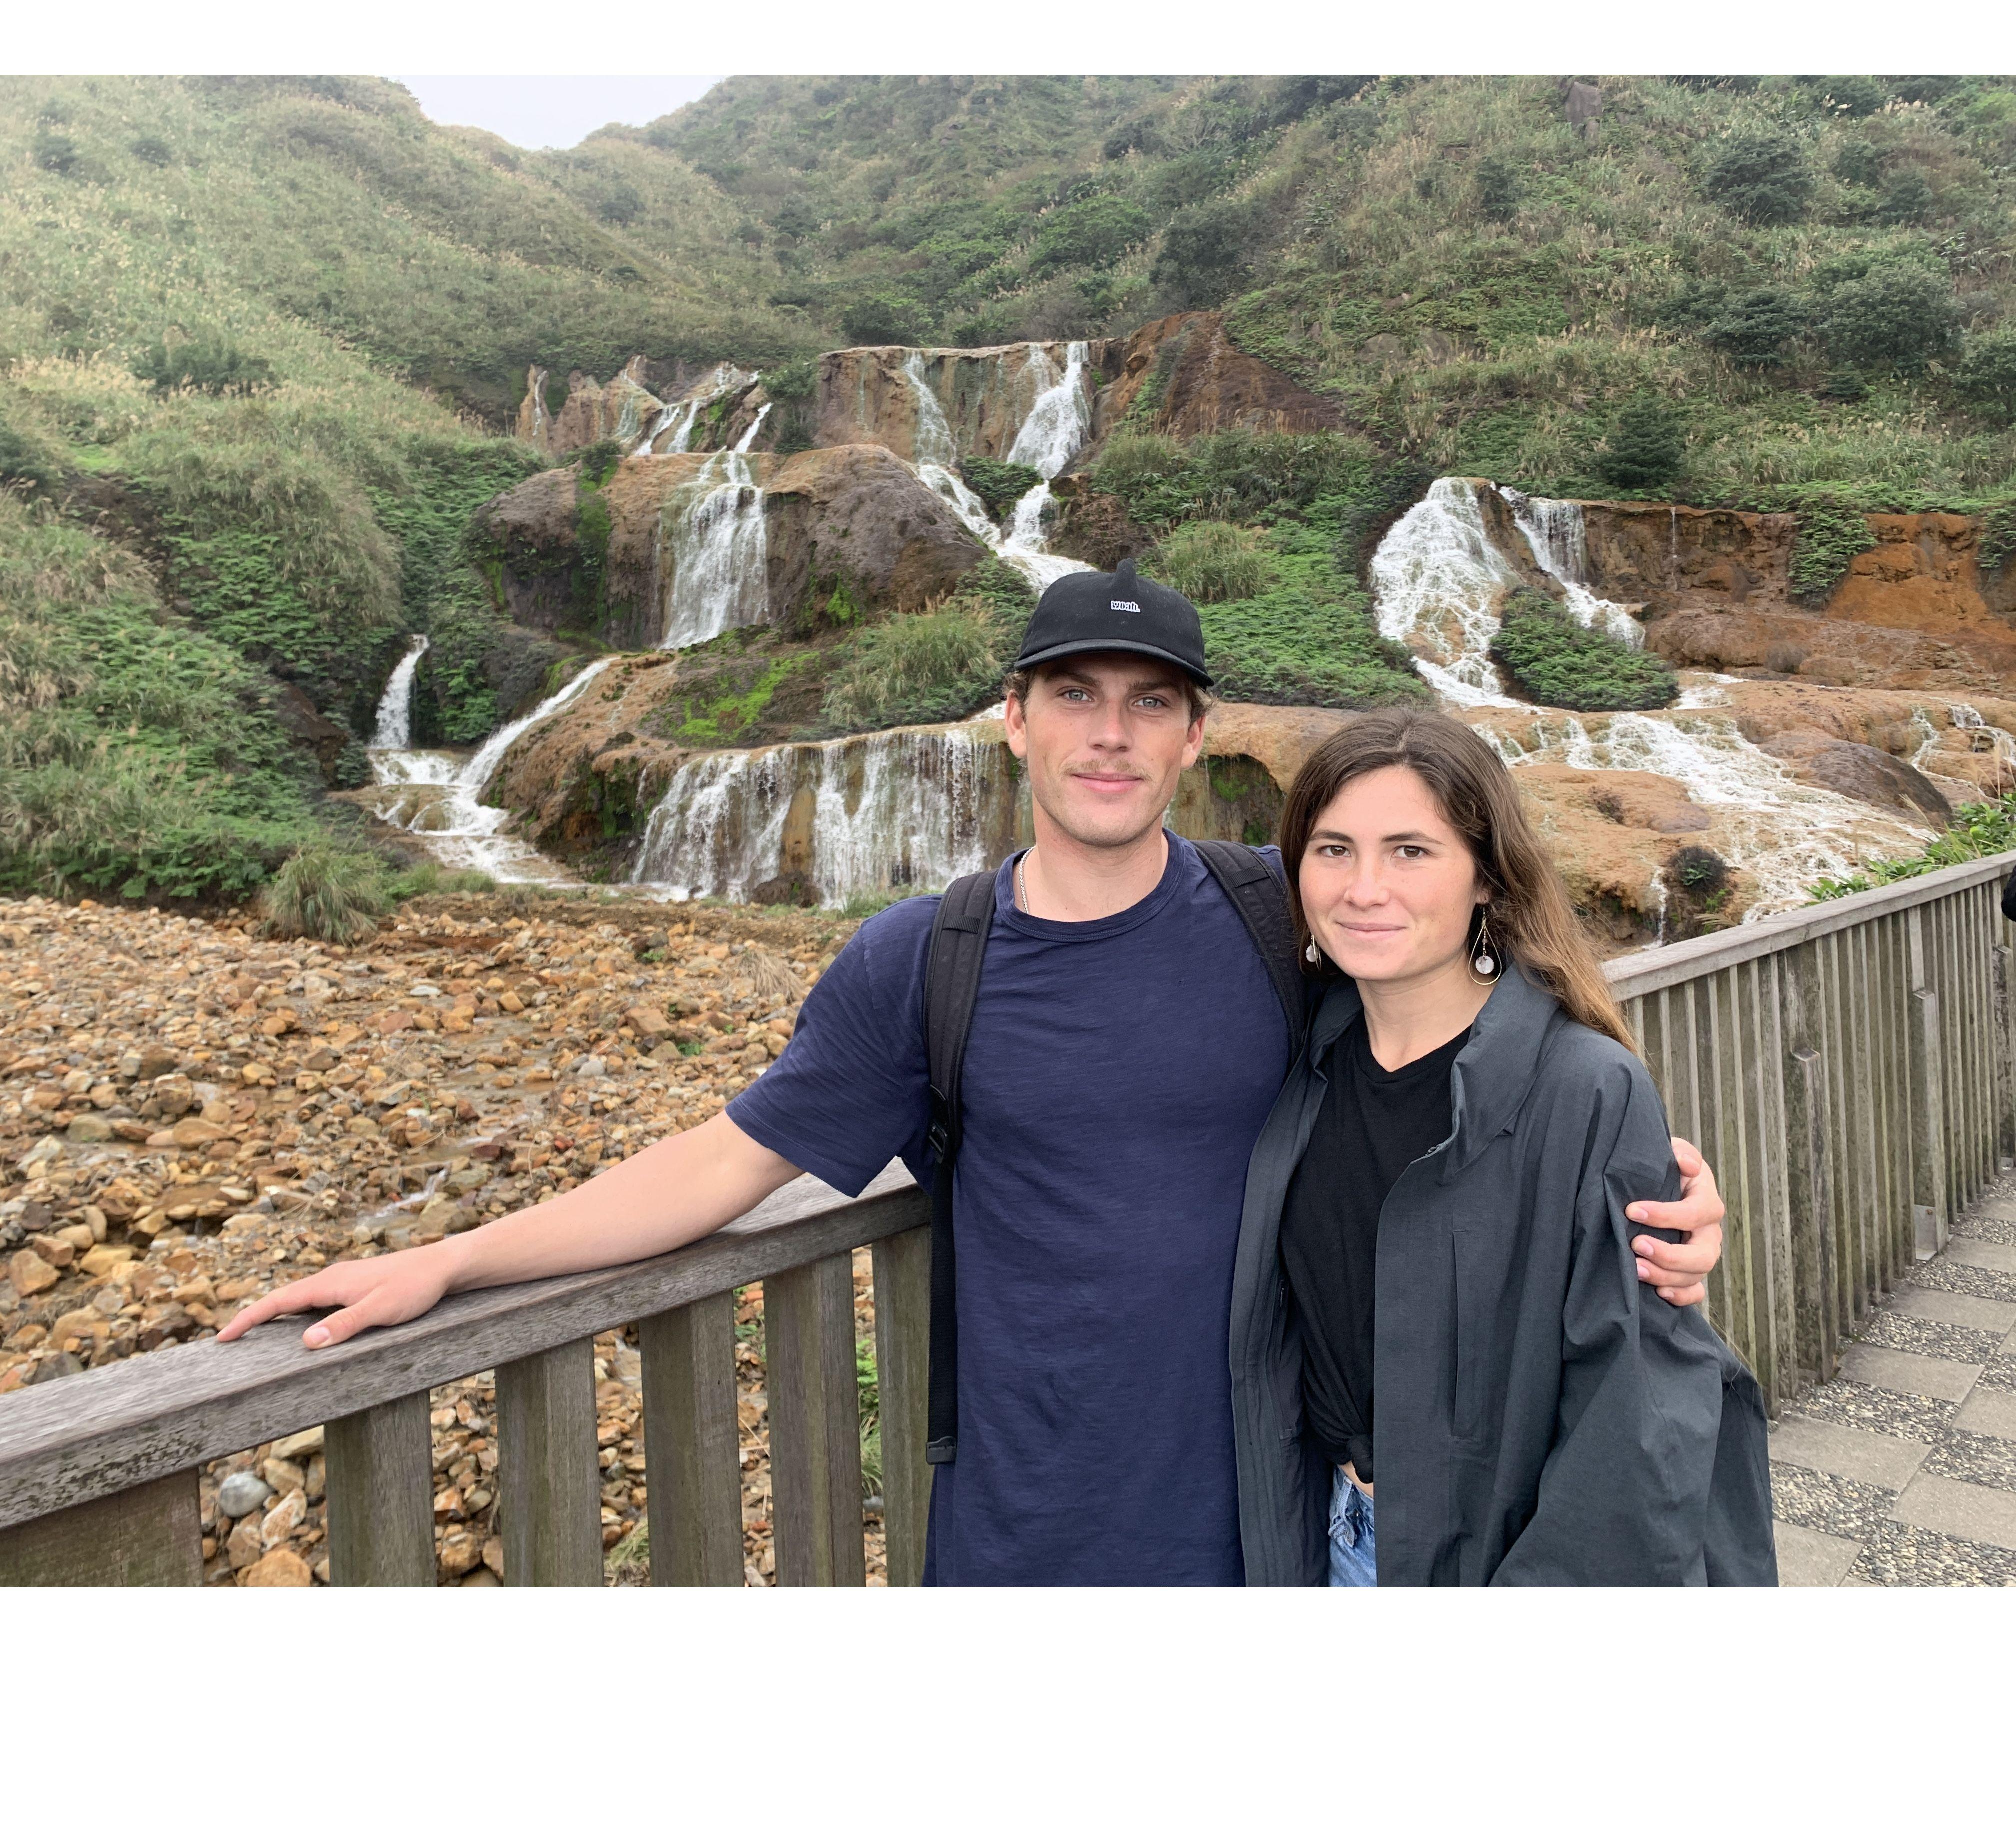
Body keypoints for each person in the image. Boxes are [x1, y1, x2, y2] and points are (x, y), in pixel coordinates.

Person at [222, 562, 1729, 1585]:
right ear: (1013, 719)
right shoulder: (919, 963)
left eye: (1149, 702)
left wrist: (1644, 1184)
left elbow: (1470, 1031)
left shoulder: (1278, 917)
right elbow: (726, 1162)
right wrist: (456, 1259)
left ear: (1198, 735)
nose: (1110, 733)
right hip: (1030, 1521)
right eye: (1076, 694)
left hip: (1271, 1517)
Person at [1228, 710, 1777, 1586]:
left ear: (1487, 877)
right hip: (1328, 1537)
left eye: (1411, 851)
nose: (1364, 888)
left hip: (1504, 1563)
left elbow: (1633, 1422)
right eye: (1333, 850)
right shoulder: (1305, 1057)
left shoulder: (1586, 1087)